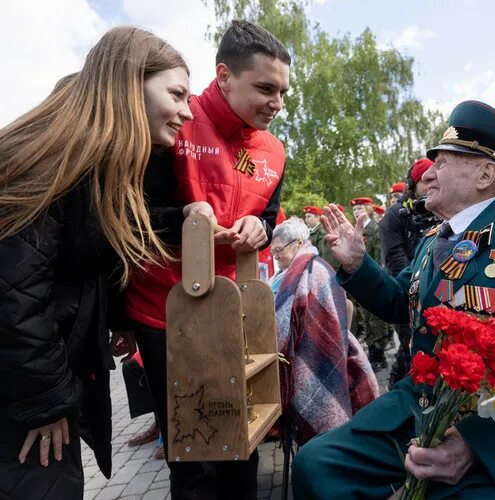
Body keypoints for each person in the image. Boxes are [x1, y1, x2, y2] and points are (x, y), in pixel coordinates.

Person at [292, 100, 495, 499]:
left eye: (443, 163)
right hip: (420, 407)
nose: (428, 175)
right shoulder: (436, 239)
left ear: (485, 173)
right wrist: (359, 265)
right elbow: (405, 304)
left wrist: (475, 445)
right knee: (317, 467)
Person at [0, 27, 214, 499]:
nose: (188, 109)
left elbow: (98, 239)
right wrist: (46, 400)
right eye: (176, 93)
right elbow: (15, 293)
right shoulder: (47, 161)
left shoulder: (90, 166)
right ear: (127, 82)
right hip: (24, 393)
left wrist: (184, 217)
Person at [123, 19, 291, 499]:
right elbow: (128, 218)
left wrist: (262, 229)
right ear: (223, 76)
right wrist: (185, 220)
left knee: (245, 437)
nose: (276, 103)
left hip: (234, 310)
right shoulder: (172, 122)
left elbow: (272, 220)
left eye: (282, 91)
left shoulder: (275, 151)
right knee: (194, 452)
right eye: (265, 88)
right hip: (166, 313)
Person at [270, 217, 378, 445]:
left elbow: (313, 337)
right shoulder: (295, 272)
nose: (276, 255)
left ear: (298, 244)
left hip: (311, 360)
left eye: (279, 249)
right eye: (273, 252)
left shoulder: (311, 271)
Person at [380, 158, 438, 389]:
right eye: (424, 180)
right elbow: (395, 258)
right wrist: (417, 288)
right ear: (413, 184)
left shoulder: (439, 208)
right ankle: (397, 389)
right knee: (409, 345)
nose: (430, 184)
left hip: (435, 289)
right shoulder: (396, 215)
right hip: (406, 289)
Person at [350, 196, 393, 371]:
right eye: (354, 209)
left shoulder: (375, 229)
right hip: (360, 279)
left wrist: (374, 279)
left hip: (373, 280)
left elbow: (379, 258)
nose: (356, 212)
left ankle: (380, 355)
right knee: (366, 319)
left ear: (368, 209)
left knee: (376, 319)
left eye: (360, 208)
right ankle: (371, 350)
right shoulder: (356, 230)